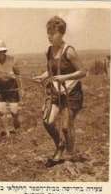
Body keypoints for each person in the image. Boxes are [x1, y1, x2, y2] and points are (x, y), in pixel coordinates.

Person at [33, 16, 86, 167]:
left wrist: (65, 76)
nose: (49, 36)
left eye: (52, 33)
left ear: (61, 33)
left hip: (71, 94)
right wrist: (41, 77)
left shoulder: (69, 51)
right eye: (48, 33)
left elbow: (83, 72)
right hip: (56, 93)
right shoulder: (48, 51)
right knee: (47, 122)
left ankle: (71, 154)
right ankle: (60, 145)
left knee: (65, 127)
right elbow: (51, 71)